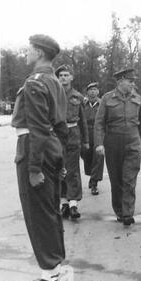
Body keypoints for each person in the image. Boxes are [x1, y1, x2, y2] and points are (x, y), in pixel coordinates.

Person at [11, 34, 68, 281]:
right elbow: (61, 127)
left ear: (40, 53)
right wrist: (61, 159)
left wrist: (34, 169)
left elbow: (37, 128)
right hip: (51, 150)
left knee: (38, 214)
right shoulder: (54, 81)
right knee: (50, 211)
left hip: (36, 150)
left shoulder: (35, 82)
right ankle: (54, 270)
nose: (26, 54)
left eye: (29, 50)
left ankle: (49, 279)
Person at [94, 68, 141, 226]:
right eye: (130, 81)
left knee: (129, 180)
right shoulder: (107, 98)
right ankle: (119, 210)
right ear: (120, 81)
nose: (133, 84)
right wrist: (99, 144)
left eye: (133, 81)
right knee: (116, 180)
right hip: (113, 144)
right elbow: (99, 123)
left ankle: (128, 213)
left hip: (133, 143)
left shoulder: (137, 98)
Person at [56, 65, 89, 220]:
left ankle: (74, 204)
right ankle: (63, 203)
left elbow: (83, 121)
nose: (63, 77)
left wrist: (86, 141)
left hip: (73, 134)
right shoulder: (52, 95)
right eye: (61, 75)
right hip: (56, 135)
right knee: (59, 169)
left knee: (73, 170)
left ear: (71, 77)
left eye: (66, 75)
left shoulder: (78, 97)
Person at [81, 82, 104, 195]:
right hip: (85, 133)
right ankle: (91, 176)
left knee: (98, 158)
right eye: (90, 90)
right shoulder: (83, 104)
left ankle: (94, 183)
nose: (93, 92)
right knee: (87, 157)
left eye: (95, 89)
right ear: (87, 92)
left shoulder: (102, 104)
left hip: (98, 133)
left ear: (98, 92)